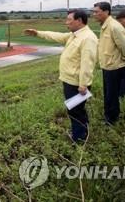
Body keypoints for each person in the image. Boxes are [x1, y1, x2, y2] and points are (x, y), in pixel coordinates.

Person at [24, 10, 98, 142]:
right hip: (70, 80)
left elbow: (88, 63)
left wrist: (83, 84)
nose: (66, 22)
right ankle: (83, 131)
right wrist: (38, 33)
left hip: (77, 83)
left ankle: (80, 138)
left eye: (69, 20)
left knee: (75, 111)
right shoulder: (74, 35)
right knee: (76, 109)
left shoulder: (88, 38)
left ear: (79, 21)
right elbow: (57, 36)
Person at [93, 2, 125, 125]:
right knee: (108, 93)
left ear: (106, 12)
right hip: (108, 65)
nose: (94, 14)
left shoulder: (114, 26)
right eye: (93, 12)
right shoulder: (106, 25)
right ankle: (108, 115)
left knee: (112, 94)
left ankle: (112, 119)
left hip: (114, 66)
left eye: (97, 12)